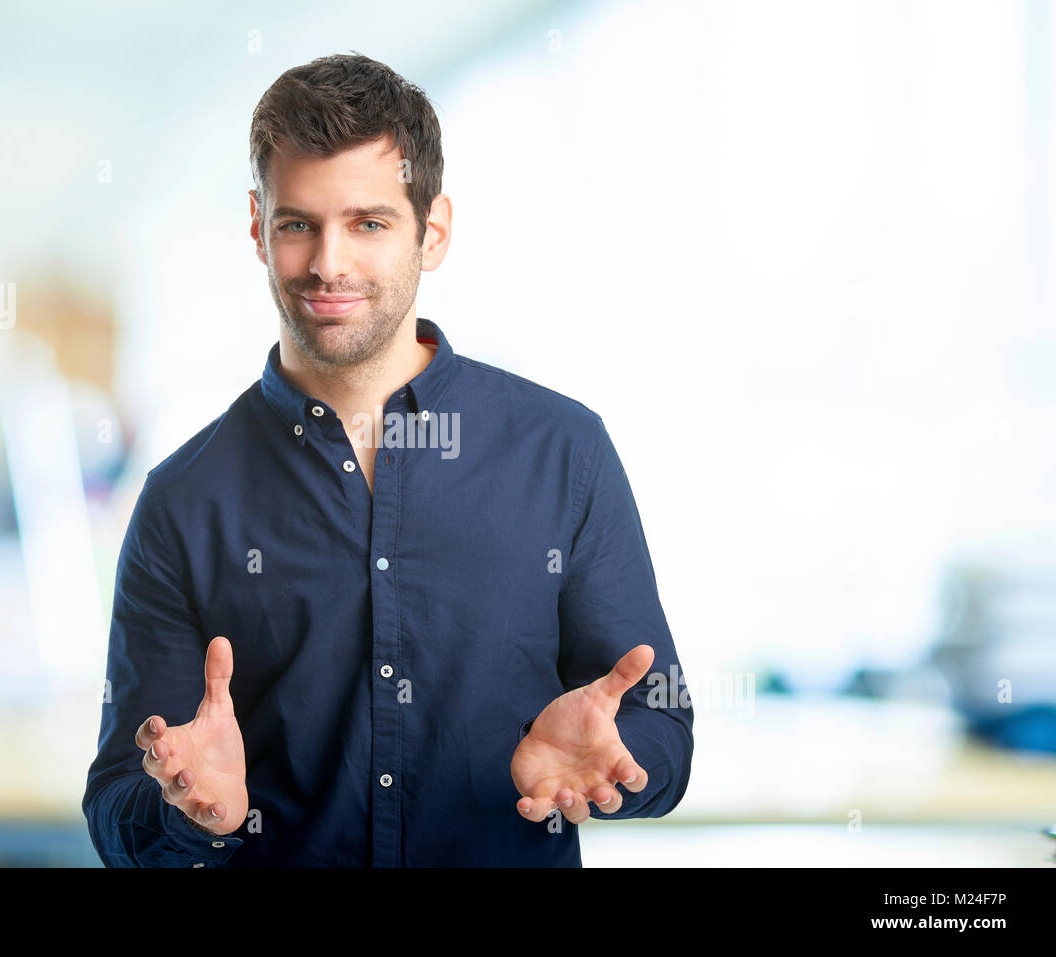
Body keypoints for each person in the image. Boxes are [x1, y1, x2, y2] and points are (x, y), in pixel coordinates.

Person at [82, 51, 693, 867]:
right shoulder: (183, 502)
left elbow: (661, 720)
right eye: (299, 223)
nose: (329, 263)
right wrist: (190, 811)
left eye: (369, 223)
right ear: (259, 229)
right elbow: (117, 798)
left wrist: (621, 759)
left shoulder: (563, 452)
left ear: (431, 231)